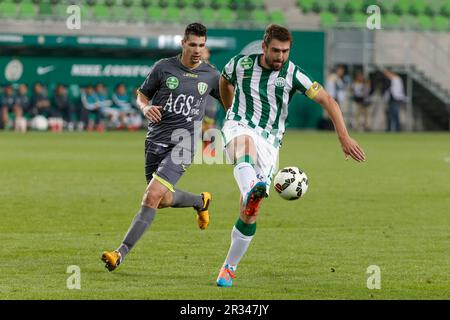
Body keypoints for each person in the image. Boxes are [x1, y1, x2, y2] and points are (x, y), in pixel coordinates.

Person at [216, 24, 366, 287]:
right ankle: (252, 185)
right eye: (275, 51)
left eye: (285, 51)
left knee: (249, 213)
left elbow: (328, 101)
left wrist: (344, 137)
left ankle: (229, 267)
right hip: (239, 125)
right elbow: (224, 81)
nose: (280, 57)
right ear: (264, 47)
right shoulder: (240, 64)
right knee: (244, 146)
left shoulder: (293, 73)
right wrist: (230, 111)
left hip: (270, 143)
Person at [101, 23, 222, 271]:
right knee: (163, 199)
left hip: (185, 142)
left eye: (202, 45)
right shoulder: (163, 67)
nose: (198, 50)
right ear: (183, 43)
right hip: (155, 140)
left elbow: (229, 101)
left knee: (151, 195)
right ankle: (200, 201)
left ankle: (120, 253)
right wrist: (145, 108)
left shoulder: (211, 75)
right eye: (193, 44)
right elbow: (141, 95)